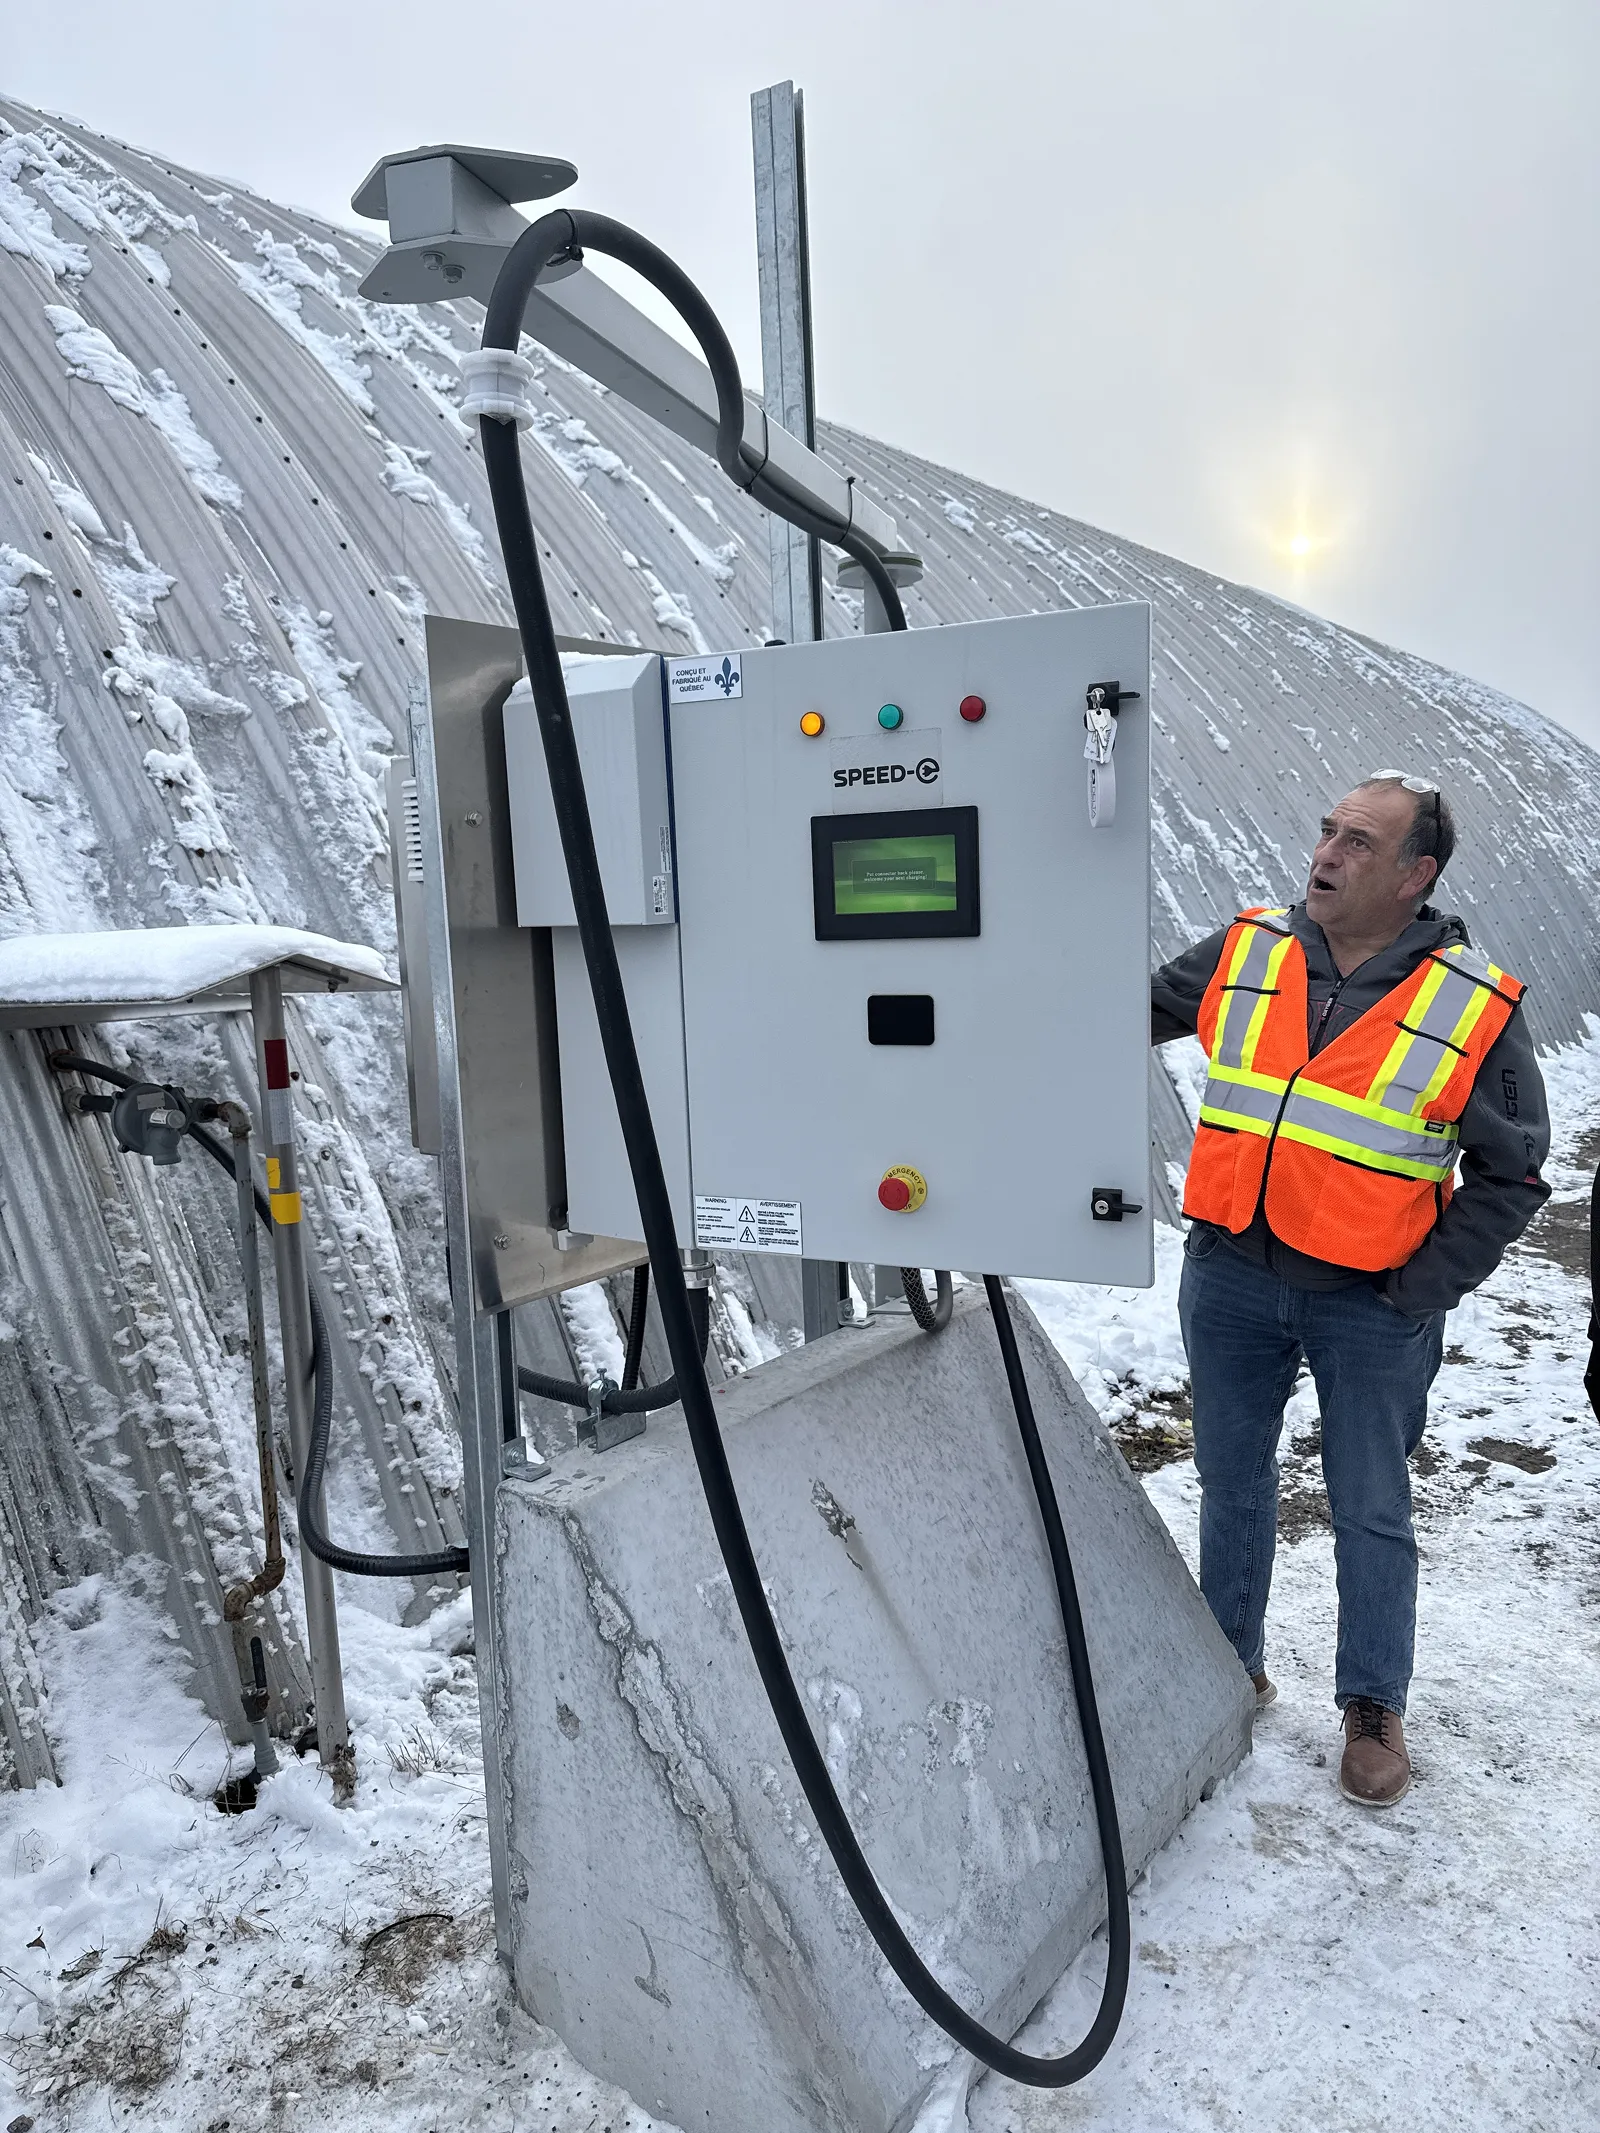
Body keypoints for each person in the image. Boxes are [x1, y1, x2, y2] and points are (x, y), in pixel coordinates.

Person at [1151, 774, 1549, 1806]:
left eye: (1357, 842)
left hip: (1368, 1303)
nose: (1324, 853)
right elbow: (1126, 1010)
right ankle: (1227, 1665)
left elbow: (1512, 1176)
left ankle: (1372, 1702)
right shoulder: (1248, 950)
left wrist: (1417, 1288)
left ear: (1415, 875)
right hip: (1231, 1273)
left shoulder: (1473, 1003)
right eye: (1325, 832)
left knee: (1368, 1504)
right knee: (1230, 1482)